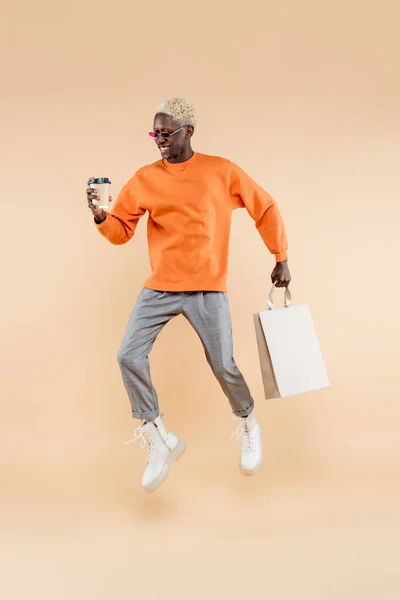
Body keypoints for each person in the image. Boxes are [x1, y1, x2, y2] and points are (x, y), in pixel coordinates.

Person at [86, 97, 291, 493]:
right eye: (154, 133)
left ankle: (248, 422)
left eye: (166, 133)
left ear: (188, 132)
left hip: (207, 287)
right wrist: (100, 217)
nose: (159, 140)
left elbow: (263, 207)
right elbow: (120, 231)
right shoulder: (145, 177)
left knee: (222, 364)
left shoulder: (220, 171)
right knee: (128, 354)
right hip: (160, 287)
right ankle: (157, 436)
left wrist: (280, 256)